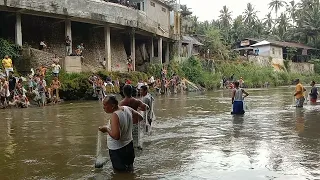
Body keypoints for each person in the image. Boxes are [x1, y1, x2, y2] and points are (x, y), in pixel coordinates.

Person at [99, 95, 143, 172]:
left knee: (119, 173)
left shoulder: (115, 115)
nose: (103, 107)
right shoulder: (127, 108)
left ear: (112, 106)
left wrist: (106, 129)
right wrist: (128, 124)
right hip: (129, 146)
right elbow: (140, 117)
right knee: (129, 170)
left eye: (105, 105)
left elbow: (116, 136)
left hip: (118, 150)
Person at [120, 85, 148, 149]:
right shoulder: (136, 101)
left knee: (127, 142)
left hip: (126, 125)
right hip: (135, 123)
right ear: (131, 91)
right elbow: (146, 107)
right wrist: (139, 109)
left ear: (124, 92)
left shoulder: (121, 103)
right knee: (136, 142)